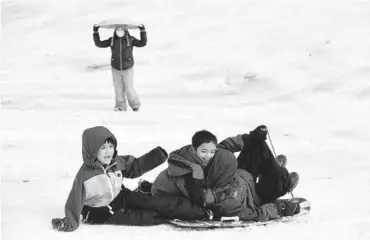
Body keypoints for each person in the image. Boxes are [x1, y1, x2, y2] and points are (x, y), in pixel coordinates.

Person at [51, 126, 209, 232]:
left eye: (111, 147)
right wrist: (69, 222)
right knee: (150, 216)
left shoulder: (115, 162)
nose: (108, 152)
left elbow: (134, 167)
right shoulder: (85, 177)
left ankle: (200, 212)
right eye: (103, 148)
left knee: (156, 202)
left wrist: (155, 157)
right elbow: (74, 201)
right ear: (91, 151)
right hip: (105, 212)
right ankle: (184, 214)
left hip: (122, 196)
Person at [150, 125, 300, 222]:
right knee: (277, 180)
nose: (209, 155)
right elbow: (253, 214)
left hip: (242, 180)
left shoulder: (208, 160)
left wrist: (250, 138)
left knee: (254, 145)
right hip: (253, 196)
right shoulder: (195, 178)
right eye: (204, 152)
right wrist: (278, 208)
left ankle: (272, 167)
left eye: (212, 153)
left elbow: (225, 147)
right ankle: (283, 183)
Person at [93, 24, 147, 112]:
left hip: (128, 67)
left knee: (129, 88)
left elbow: (142, 43)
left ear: (125, 31)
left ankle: (135, 105)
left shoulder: (131, 39)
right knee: (118, 88)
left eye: (122, 30)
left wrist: (142, 31)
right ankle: (120, 106)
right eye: (118, 30)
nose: (120, 32)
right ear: (115, 31)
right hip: (116, 68)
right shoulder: (112, 40)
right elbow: (99, 44)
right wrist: (95, 32)